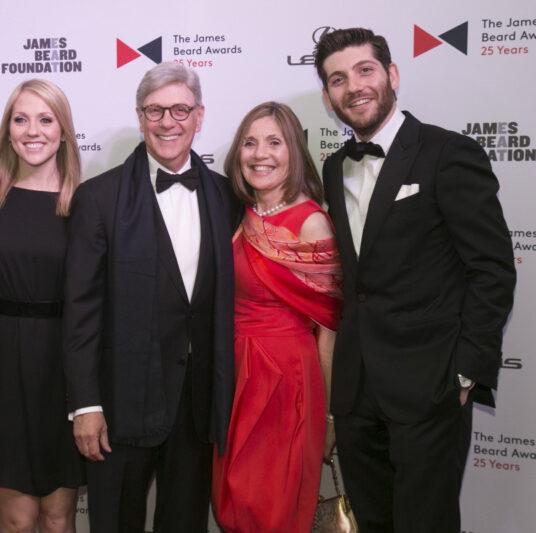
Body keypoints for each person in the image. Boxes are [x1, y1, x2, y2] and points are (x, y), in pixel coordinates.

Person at [314, 28, 516, 532]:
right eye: (338, 79)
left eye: (365, 70)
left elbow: (491, 269)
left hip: (431, 387)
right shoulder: (334, 168)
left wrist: (467, 372)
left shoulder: (448, 153)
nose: (353, 87)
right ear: (327, 96)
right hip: (358, 392)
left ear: (392, 75)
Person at [62, 62, 239, 532]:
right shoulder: (99, 198)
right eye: (155, 111)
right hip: (118, 408)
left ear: (199, 117)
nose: (168, 122)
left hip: (195, 409)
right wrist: (85, 405)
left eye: (180, 109)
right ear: (140, 118)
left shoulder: (226, 197)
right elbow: (80, 311)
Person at [211, 102, 343, 533]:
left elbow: (328, 333)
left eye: (274, 142)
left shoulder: (311, 225)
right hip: (233, 380)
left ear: (295, 152)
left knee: (271, 510)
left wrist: (328, 416)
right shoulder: (240, 214)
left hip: (286, 384)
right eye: (250, 142)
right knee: (233, 507)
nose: (259, 153)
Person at [0, 79, 83, 533]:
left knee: (58, 518)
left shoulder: (87, 203)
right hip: (1, 364)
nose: (32, 131)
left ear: (63, 130)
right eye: (20, 119)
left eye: (45, 119)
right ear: (7, 130)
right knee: (17, 520)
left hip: (66, 364)